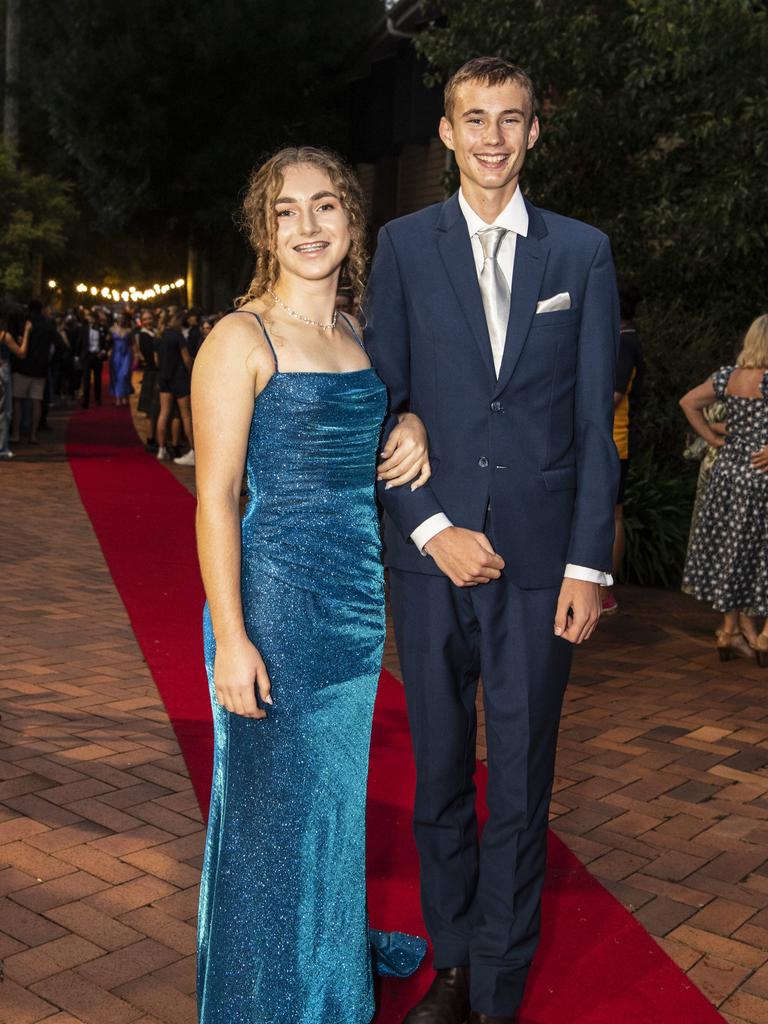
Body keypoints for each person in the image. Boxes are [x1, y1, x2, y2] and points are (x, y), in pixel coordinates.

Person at [364, 57, 619, 1024]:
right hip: (430, 564)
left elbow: (596, 423)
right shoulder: (401, 246)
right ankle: (457, 966)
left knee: (519, 779)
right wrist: (430, 530)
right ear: (444, 131)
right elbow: (380, 403)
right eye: (474, 119)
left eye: (511, 119)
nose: (492, 137)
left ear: (535, 132)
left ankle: (500, 989)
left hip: (541, 566)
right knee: (437, 777)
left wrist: (588, 564)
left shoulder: (582, 253)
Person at [192, 146, 428, 1024]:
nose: (307, 226)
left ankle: (328, 979)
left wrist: (410, 424)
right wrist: (235, 636)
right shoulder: (238, 338)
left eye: (323, 206)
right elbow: (214, 504)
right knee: (266, 826)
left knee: (330, 815)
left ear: (352, 221)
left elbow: (366, 444)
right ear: (265, 230)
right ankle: (262, 1000)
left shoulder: (357, 335)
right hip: (272, 611)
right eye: (286, 212)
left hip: (354, 614)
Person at [681, 313, 768, 666]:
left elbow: (688, 402)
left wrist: (711, 436)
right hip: (761, 479)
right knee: (759, 557)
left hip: (727, 476)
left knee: (734, 552)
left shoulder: (727, 377)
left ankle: (729, 630)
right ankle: (760, 636)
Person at [601, 289, 644, 614]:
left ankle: (605, 592)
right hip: (608, 441)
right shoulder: (623, 339)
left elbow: (615, 395)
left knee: (613, 515)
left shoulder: (625, 341)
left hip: (611, 442)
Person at [11, 300, 58, 444]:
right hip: (40, 369)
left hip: (22, 367)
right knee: (36, 401)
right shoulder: (48, 324)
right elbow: (59, 344)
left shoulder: (24, 322)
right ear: (41, 309)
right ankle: (33, 435)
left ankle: (16, 434)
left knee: (17, 400)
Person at [156, 311, 194, 462]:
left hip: (164, 377)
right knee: (186, 415)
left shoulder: (159, 336)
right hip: (179, 377)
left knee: (164, 413)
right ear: (175, 321)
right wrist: (191, 372)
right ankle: (193, 450)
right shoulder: (177, 336)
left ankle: (161, 449)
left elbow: (156, 359)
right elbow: (186, 359)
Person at [0, 305, 31, 459]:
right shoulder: (5, 336)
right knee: (5, 411)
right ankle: (2, 447)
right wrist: (26, 333)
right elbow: (22, 353)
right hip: (3, 371)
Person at [78, 309, 110, 408]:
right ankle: (86, 400)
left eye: (94, 319)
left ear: (97, 320)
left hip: (98, 356)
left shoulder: (103, 329)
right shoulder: (84, 328)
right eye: (91, 319)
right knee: (86, 379)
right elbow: (79, 342)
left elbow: (108, 342)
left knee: (97, 379)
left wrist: (104, 351)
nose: (92, 321)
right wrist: (77, 355)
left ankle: (97, 399)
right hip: (87, 356)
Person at [109, 312, 135, 406]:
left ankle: (124, 395)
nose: (121, 319)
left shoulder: (129, 331)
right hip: (115, 354)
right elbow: (108, 342)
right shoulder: (111, 329)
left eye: (122, 318)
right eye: (119, 317)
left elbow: (133, 343)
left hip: (126, 354)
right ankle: (118, 397)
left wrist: (136, 355)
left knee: (124, 375)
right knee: (115, 375)